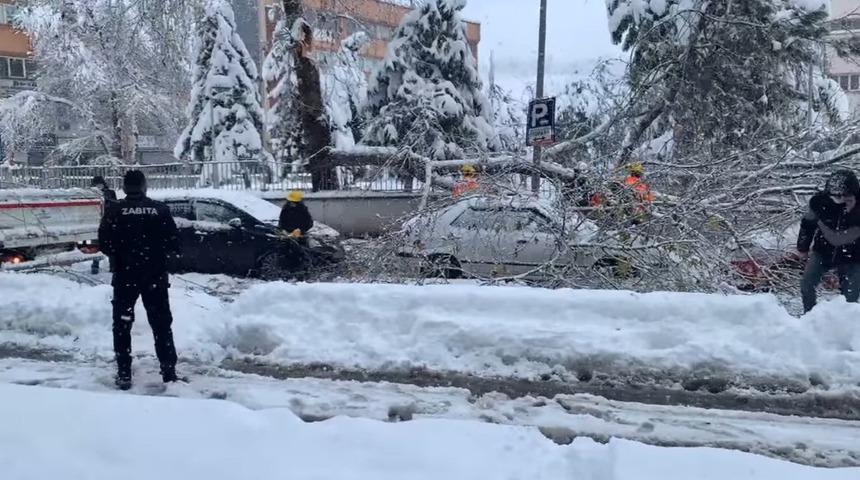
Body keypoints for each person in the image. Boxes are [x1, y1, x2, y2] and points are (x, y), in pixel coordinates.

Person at [98, 170, 181, 390]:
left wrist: (123, 254)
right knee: (161, 324)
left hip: (125, 276)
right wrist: (155, 253)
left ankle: (124, 372)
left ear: (125, 188)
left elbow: (104, 244)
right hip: (154, 276)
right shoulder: (160, 210)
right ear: (144, 186)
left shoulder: (114, 211)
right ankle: (168, 372)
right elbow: (174, 243)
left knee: (122, 324)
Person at [797, 169, 860, 313]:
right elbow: (807, 224)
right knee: (807, 283)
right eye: (835, 195)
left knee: (851, 294)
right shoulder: (819, 203)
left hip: (854, 255)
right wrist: (802, 248)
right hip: (823, 250)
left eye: (844, 195)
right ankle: (810, 317)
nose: (839, 198)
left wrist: (852, 212)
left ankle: (846, 323)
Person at [278, 191, 314, 276]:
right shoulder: (285, 209)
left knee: (301, 254)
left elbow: (309, 223)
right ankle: (287, 271)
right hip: (287, 235)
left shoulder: (303, 210)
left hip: (300, 236)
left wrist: (300, 230)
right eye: (290, 202)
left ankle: (301, 272)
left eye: (293, 202)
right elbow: (282, 222)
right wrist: (283, 230)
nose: (291, 204)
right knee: (286, 253)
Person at [90, 176, 117, 275]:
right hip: (97, 222)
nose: (99, 186)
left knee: (112, 246)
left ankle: (113, 267)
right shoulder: (90, 194)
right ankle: (95, 265)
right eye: (96, 184)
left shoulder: (110, 193)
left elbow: (115, 205)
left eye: (100, 184)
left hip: (109, 222)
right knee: (96, 245)